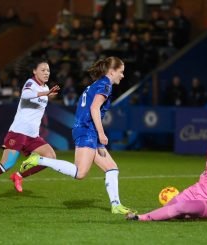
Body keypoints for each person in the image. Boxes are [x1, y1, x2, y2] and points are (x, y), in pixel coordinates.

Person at [20, 56, 135, 215]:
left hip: (87, 130)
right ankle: (39, 159)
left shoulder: (97, 84)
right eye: (120, 72)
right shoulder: (106, 85)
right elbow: (94, 109)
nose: (122, 75)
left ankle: (116, 205)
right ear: (111, 71)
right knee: (80, 173)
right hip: (88, 130)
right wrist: (101, 133)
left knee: (112, 168)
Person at [0, 58, 60, 200]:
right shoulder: (30, 83)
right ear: (34, 71)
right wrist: (45, 94)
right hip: (18, 133)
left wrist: (47, 95)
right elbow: (26, 95)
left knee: (51, 157)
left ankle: (18, 176)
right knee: (6, 164)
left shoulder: (45, 88)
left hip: (33, 135)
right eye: (43, 70)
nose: (46, 73)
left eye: (48, 70)